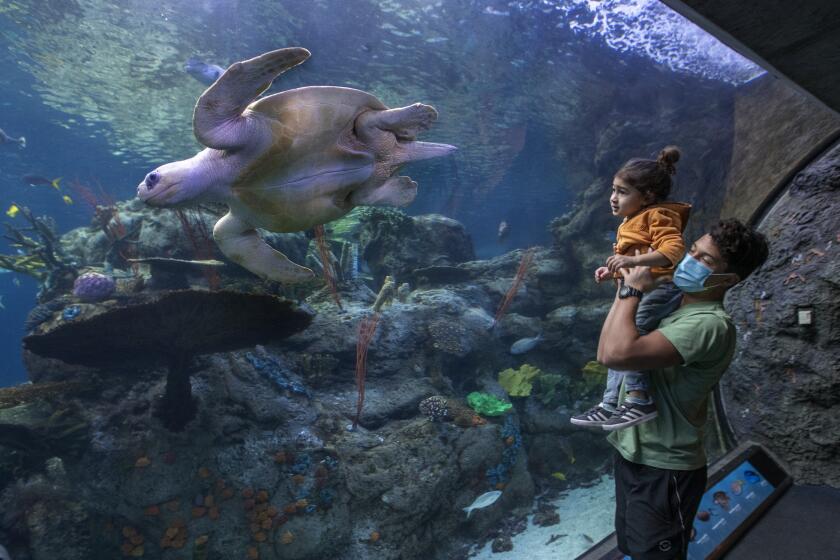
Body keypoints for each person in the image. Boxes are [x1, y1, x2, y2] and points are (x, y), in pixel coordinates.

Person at [598, 219, 768, 560]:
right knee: (632, 546)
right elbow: (607, 348)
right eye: (692, 251)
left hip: (666, 467)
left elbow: (613, 353)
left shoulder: (709, 324)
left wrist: (631, 291)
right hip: (632, 453)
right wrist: (631, 284)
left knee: (657, 555)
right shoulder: (672, 304)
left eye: (706, 260)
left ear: (728, 280)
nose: (690, 261)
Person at [571, 146, 691, 431]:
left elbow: (673, 250)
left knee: (628, 337)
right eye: (613, 190)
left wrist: (632, 260)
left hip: (661, 288)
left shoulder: (658, 214)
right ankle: (610, 403)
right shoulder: (632, 219)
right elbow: (633, 253)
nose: (613, 198)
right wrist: (612, 267)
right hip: (639, 288)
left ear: (647, 196)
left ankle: (639, 399)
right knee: (616, 341)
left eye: (622, 192)